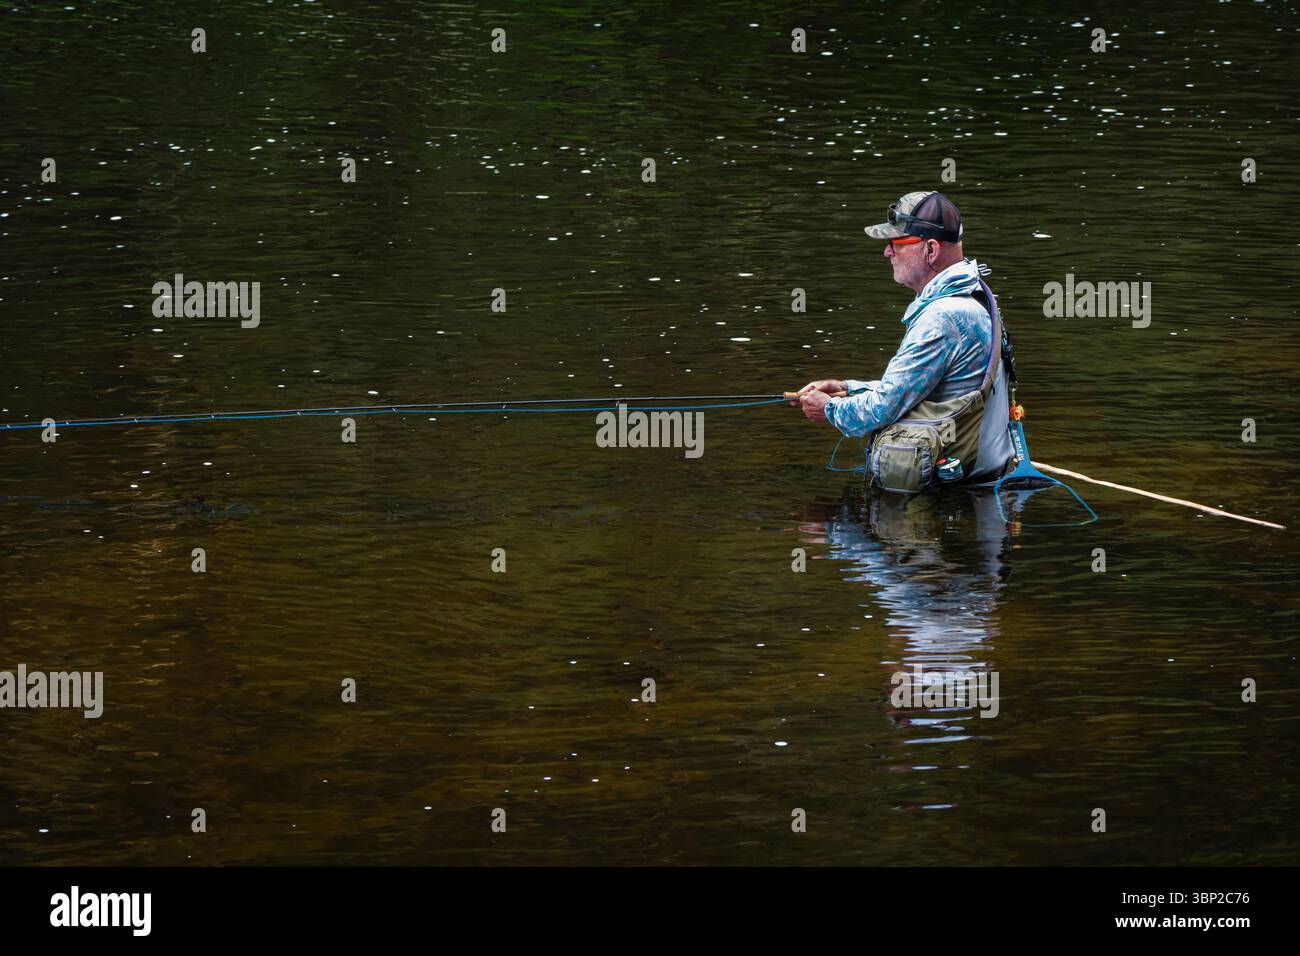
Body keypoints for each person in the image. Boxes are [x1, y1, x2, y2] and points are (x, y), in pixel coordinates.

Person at [796, 191, 1014, 486]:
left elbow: (882, 408)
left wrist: (829, 409)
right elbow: (916, 392)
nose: (887, 252)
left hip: (956, 492)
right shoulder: (974, 295)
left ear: (931, 250)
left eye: (896, 243)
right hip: (984, 475)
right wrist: (846, 388)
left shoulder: (943, 318)